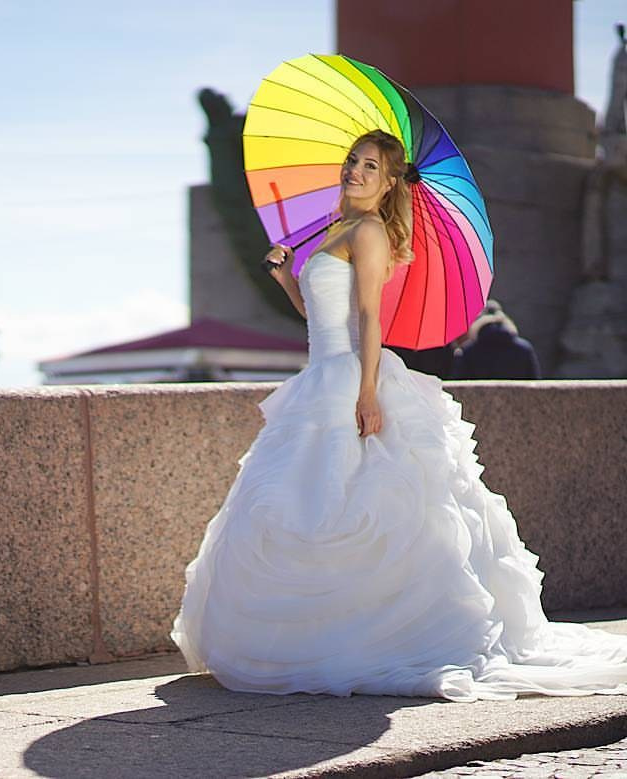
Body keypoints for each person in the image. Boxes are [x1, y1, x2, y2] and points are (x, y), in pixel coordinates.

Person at [171, 130, 627, 701]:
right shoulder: (332, 231)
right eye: (352, 162)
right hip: (318, 377)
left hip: (352, 378)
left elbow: (368, 319)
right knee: (296, 503)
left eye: (370, 167)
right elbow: (318, 315)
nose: (354, 172)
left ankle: (373, 639)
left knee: (364, 504)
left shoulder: (368, 232)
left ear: (390, 182)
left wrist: (366, 395)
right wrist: (287, 276)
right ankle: (317, 637)